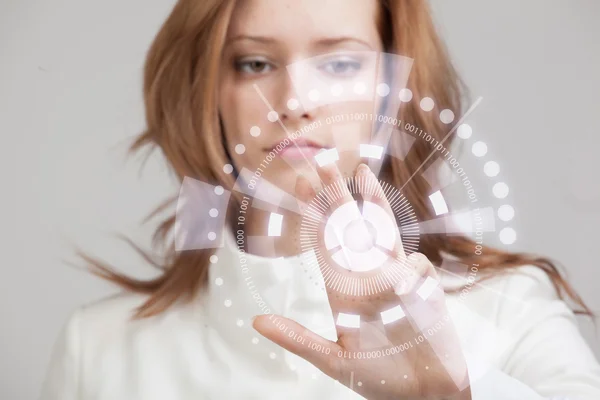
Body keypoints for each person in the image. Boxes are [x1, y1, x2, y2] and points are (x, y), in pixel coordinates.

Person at [40, 0, 600, 399]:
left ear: (396, 90)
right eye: (255, 63)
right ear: (205, 92)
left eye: (339, 62)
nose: (297, 101)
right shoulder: (100, 348)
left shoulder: (511, 309)